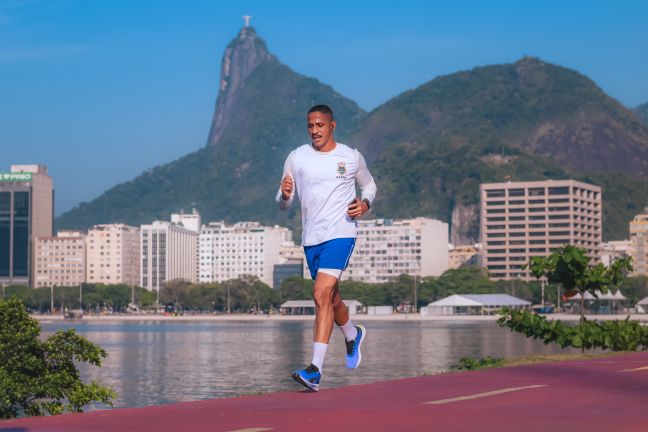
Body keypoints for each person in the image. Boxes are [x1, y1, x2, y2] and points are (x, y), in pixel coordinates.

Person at [277, 104, 377, 391]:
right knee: (331, 299)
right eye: (310, 126)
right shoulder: (296, 158)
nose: (314, 131)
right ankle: (352, 334)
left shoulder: (351, 156)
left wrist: (365, 204)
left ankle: (315, 371)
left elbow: (370, 186)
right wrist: (284, 195)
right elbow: (283, 204)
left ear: (332, 126)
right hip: (311, 238)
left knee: (320, 292)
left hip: (341, 232)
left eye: (320, 125)